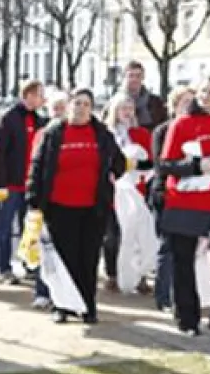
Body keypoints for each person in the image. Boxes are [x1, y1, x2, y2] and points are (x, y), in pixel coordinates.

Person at [25, 88, 125, 324]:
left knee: (88, 258)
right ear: (69, 106)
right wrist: (33, 198)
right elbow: (37, 166)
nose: (81, 108)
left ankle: (87, 305)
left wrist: (111, 175)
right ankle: (62, 306)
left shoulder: (102, 133)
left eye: (86, 104)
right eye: (77, 103)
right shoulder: (54, 133)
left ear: (92, 109)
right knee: (64, 257)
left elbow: (119, 162)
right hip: (59, 206)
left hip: (93, 208)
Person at [156, 74, 210, 336]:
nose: (206, 97)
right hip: (185, 203)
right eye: (203, 91)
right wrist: (195, 166)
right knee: (182, 262)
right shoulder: (181, 123)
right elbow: (165, 165)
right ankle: (187, 319)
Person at [149, 86, 196, 315]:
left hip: (193, 194)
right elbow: (161, 165)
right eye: (184, 102)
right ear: (174, 105)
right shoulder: (162, 130)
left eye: (192, 102)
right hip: (167, 193)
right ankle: (163, 296)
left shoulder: (196, 128)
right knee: (167, 246)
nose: (189, 106)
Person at [100, 92, 154, 294]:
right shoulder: (106, 134)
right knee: (112, 236)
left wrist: (134, 164)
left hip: (136, 191)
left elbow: (151, 162)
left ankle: (139, 276)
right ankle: (112, 274)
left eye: (130, 108)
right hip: (112, 191)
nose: (127, 112)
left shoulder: (141, 134)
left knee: (138, 235)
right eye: (123, 108)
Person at [0, 79, 45, 283]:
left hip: (30, 183)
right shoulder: (9, 118)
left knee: (29, 227)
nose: (42, 99)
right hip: (12, 183)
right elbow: (0, 153)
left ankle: (28, 264)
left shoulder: (40, 120)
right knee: (4, 227)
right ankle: (3, 267)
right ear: (28, 95)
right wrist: (1, 183)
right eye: (39, 95)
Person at [31, 90, 69, 310]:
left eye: (63, 107)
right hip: (47, 198)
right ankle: (42, 291)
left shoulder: (73, 133)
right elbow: (34, 166)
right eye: (56, 108)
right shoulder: (42, 133)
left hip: (68, 198)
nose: (59, 112)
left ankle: (62, 295)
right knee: (44, 248)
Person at [121, 59, 168, 132]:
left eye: (138, 76)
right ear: (124, 77)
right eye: (131, 75)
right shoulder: (115, 103)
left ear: (143, 77)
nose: (134, 79)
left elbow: (164, 126)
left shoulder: (156, 102)